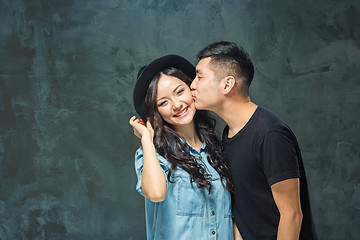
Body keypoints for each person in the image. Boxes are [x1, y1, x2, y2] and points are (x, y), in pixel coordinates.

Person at [190, 41, 318, 240]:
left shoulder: (270, 134)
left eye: (199, 77)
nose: (192, 85)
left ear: (227, 84)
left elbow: (292, 215)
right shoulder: (229, 133)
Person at [129, 54, 234, 240]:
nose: (176, 105)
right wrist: (146, 137)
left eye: (179, 92)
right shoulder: (154, 154)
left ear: (192, 89)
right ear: (156, 112)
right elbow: (155, 193)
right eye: (163, 102)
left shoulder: (216, 149)